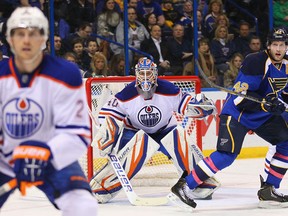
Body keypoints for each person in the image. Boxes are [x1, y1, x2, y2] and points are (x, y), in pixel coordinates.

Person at [171, 28, 288, 209]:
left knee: (286, 144)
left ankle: (269, 189)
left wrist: (279, 103)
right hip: (237, 113)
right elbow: (241, 98)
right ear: (268, 45)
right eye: (275, 44)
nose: (278, 49)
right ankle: (185, 185)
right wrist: (267, 103)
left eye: (282, 45)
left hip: (263, 115)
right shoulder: (255, 62)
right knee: (227, 155)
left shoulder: (286, 64)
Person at [0, 6, 98, 215]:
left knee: (83, 206)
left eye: (33, 33)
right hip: (5, 158)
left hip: (51, 157)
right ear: (10, 39)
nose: (26, 40)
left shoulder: (66, 74)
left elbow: (78, 133)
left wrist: (44, 154)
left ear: (44, 38)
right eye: (20, 34)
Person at [89, 57, 219, 204]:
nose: (145, 77)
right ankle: (103, 188)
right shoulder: (126, 94)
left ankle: (199, 184)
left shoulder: (169, 90)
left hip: (164, 131)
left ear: (155, 74)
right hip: (135, 132)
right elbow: (107, 114)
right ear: (136, 74)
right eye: (142, 73)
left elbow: (187, 105)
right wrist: (108, 133)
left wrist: (201, 106)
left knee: (180, 139)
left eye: (149, 73)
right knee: (130, 155)